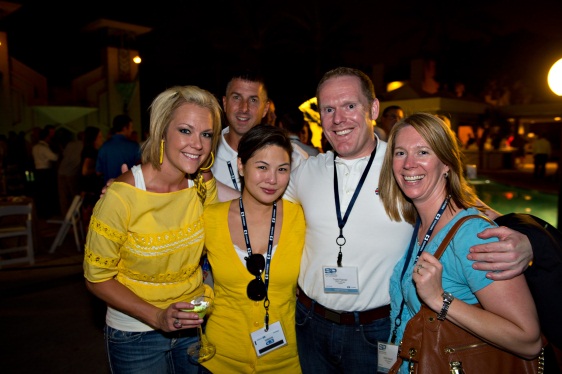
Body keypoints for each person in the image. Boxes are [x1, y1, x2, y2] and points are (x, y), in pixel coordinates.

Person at [285, 67, 537, 373]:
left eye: (350, 106)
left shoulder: (402, 164)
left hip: (377, 329)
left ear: (373, 109)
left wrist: (528, 241)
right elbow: (257, 195)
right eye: (328, 109)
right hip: (311, 323)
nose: (339, 119)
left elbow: (471, 207)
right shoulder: (307, 171)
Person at [378, 113, 542, 373]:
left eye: (423, 152)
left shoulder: (472, 235)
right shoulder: (418, 224)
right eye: (400, 153)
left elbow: (528, 340)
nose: (409, 164)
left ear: (446, 164)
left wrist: (440, 299)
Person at [83, 85, 222, 374]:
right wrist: (156, 316)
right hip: (135, 335)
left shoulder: (200, 184)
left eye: (206, 134)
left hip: (192, 326)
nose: (197, 144)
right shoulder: (122, 196)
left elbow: (231, 213)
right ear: (161, 131)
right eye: (185, 130)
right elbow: (96, 278)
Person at [202, 125, 305, 373]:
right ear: (241, 165)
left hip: (286, 361)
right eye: (261, 167)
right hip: (220, 359)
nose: (272, 179)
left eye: (282, 169)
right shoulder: (209, 218)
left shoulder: (301, 218)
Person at [211, 70, 307, 199]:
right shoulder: (205, 155)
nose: (244, 108)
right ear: (225, 103)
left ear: (265, 109)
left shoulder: (294, 158)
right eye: (236, 97)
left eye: (253, 100)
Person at [96, 114, 141, 184]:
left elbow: (98, 172)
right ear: (125, 128)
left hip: (110, 188)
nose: (132, 130)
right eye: (131, 127)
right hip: (129, 187)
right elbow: (140, 167)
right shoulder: (133, 146)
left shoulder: (104, 147)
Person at [31, 124, 59, 218]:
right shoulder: (44, 147)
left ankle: (41, 212)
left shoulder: (35, 147)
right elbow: (54, 157)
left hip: (37, 171)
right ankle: (47, 212)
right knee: (47, 193)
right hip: (45, 172)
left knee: (40, 193)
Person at [80, 126, 105, 227]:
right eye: (99, 137)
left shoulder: (93, 150)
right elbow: (85, 171)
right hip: (89, 188)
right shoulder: (90, 151)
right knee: (89, 217)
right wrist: (98, 170)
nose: (101, 139)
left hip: (91, 187)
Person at [57, 132, 83, 215]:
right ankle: (74, 215)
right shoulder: (84, 146)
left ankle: (66, 216)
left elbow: (64, 154)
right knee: (74, 196)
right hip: (72, 172)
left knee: (63, 196)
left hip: (61, 171)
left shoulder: (70, 144)